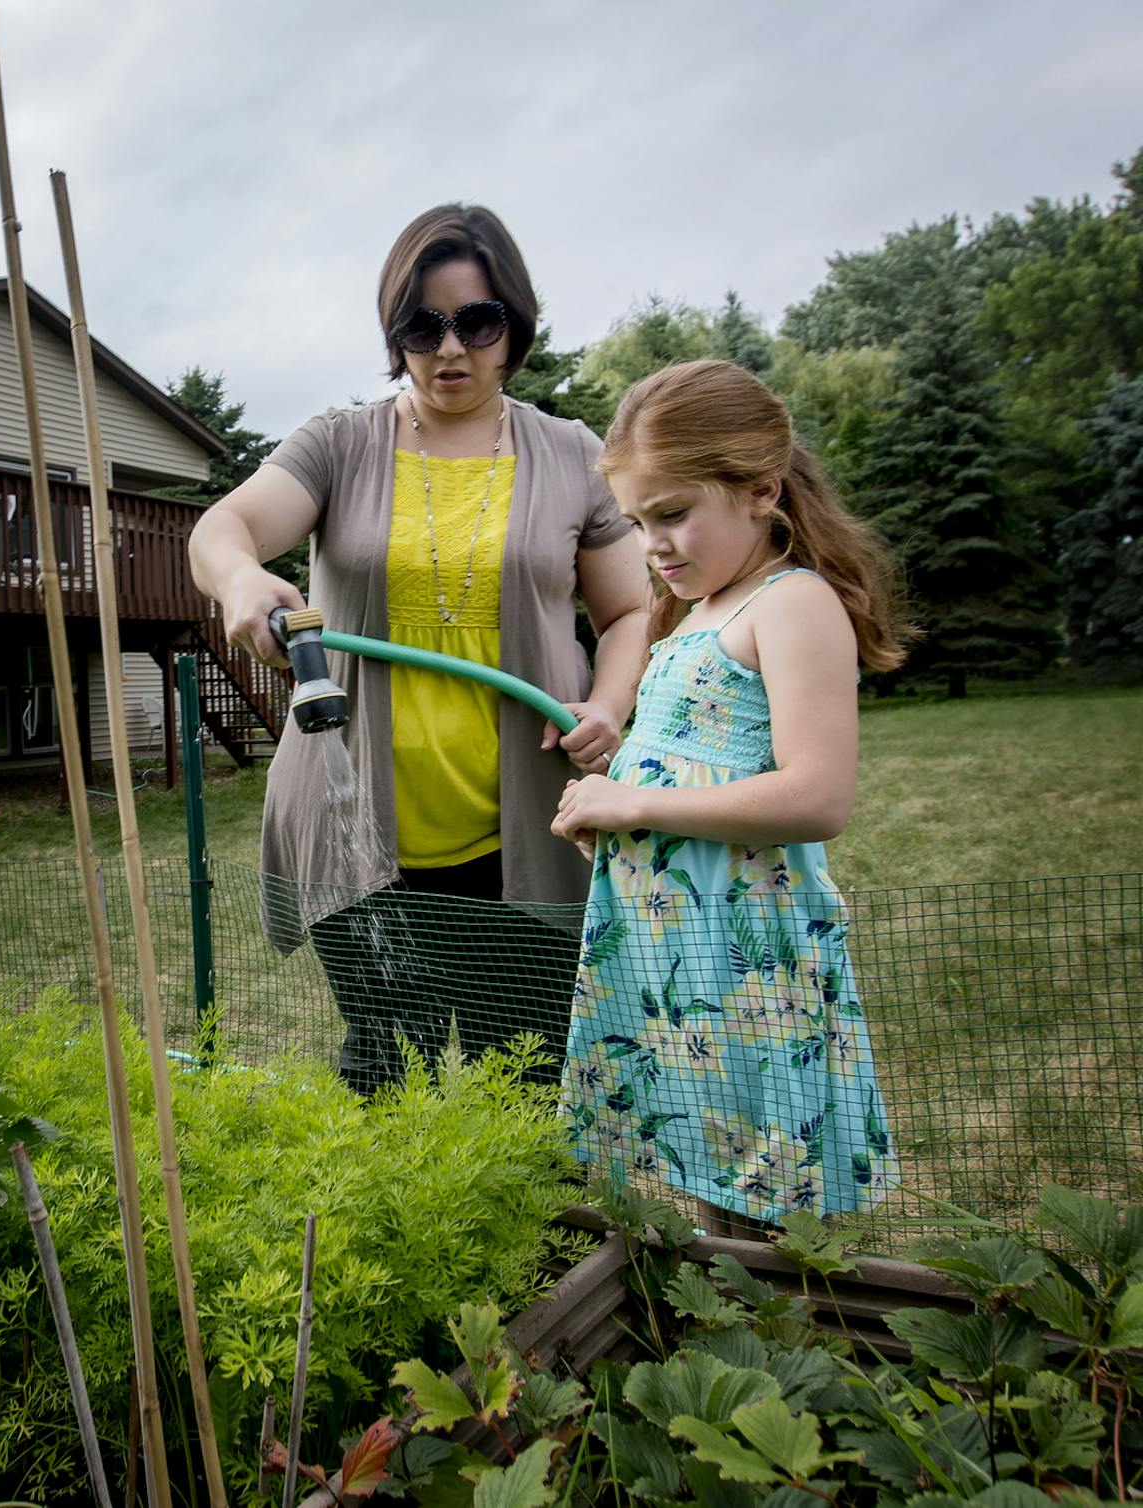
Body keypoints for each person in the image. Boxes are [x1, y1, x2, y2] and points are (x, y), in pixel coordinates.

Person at [188, 204, 651, 1094]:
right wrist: (241, 580)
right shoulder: (338, 445)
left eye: (477, 322)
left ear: (513, 325)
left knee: (520, 1083)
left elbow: (630, 608)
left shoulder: (570, 454)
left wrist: (611, 702)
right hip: (352, 824)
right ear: (394, 333)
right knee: (384, 1080)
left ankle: (542, 1241)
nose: (450, 350)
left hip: (526, 829)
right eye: (421, 326)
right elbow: (226, 526)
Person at [552, 358, 915, 1229]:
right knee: (708, 1174)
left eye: (673, 514)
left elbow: (817, 796)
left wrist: (633, 806)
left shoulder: (790, 605)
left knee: (762, 1192)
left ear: (761, 489)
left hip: (743, 962)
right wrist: (612, 803)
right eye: (638, 522)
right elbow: (692, 766)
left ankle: (781, 1353)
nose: (653, 546)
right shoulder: (699, 612)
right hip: (673, 959)